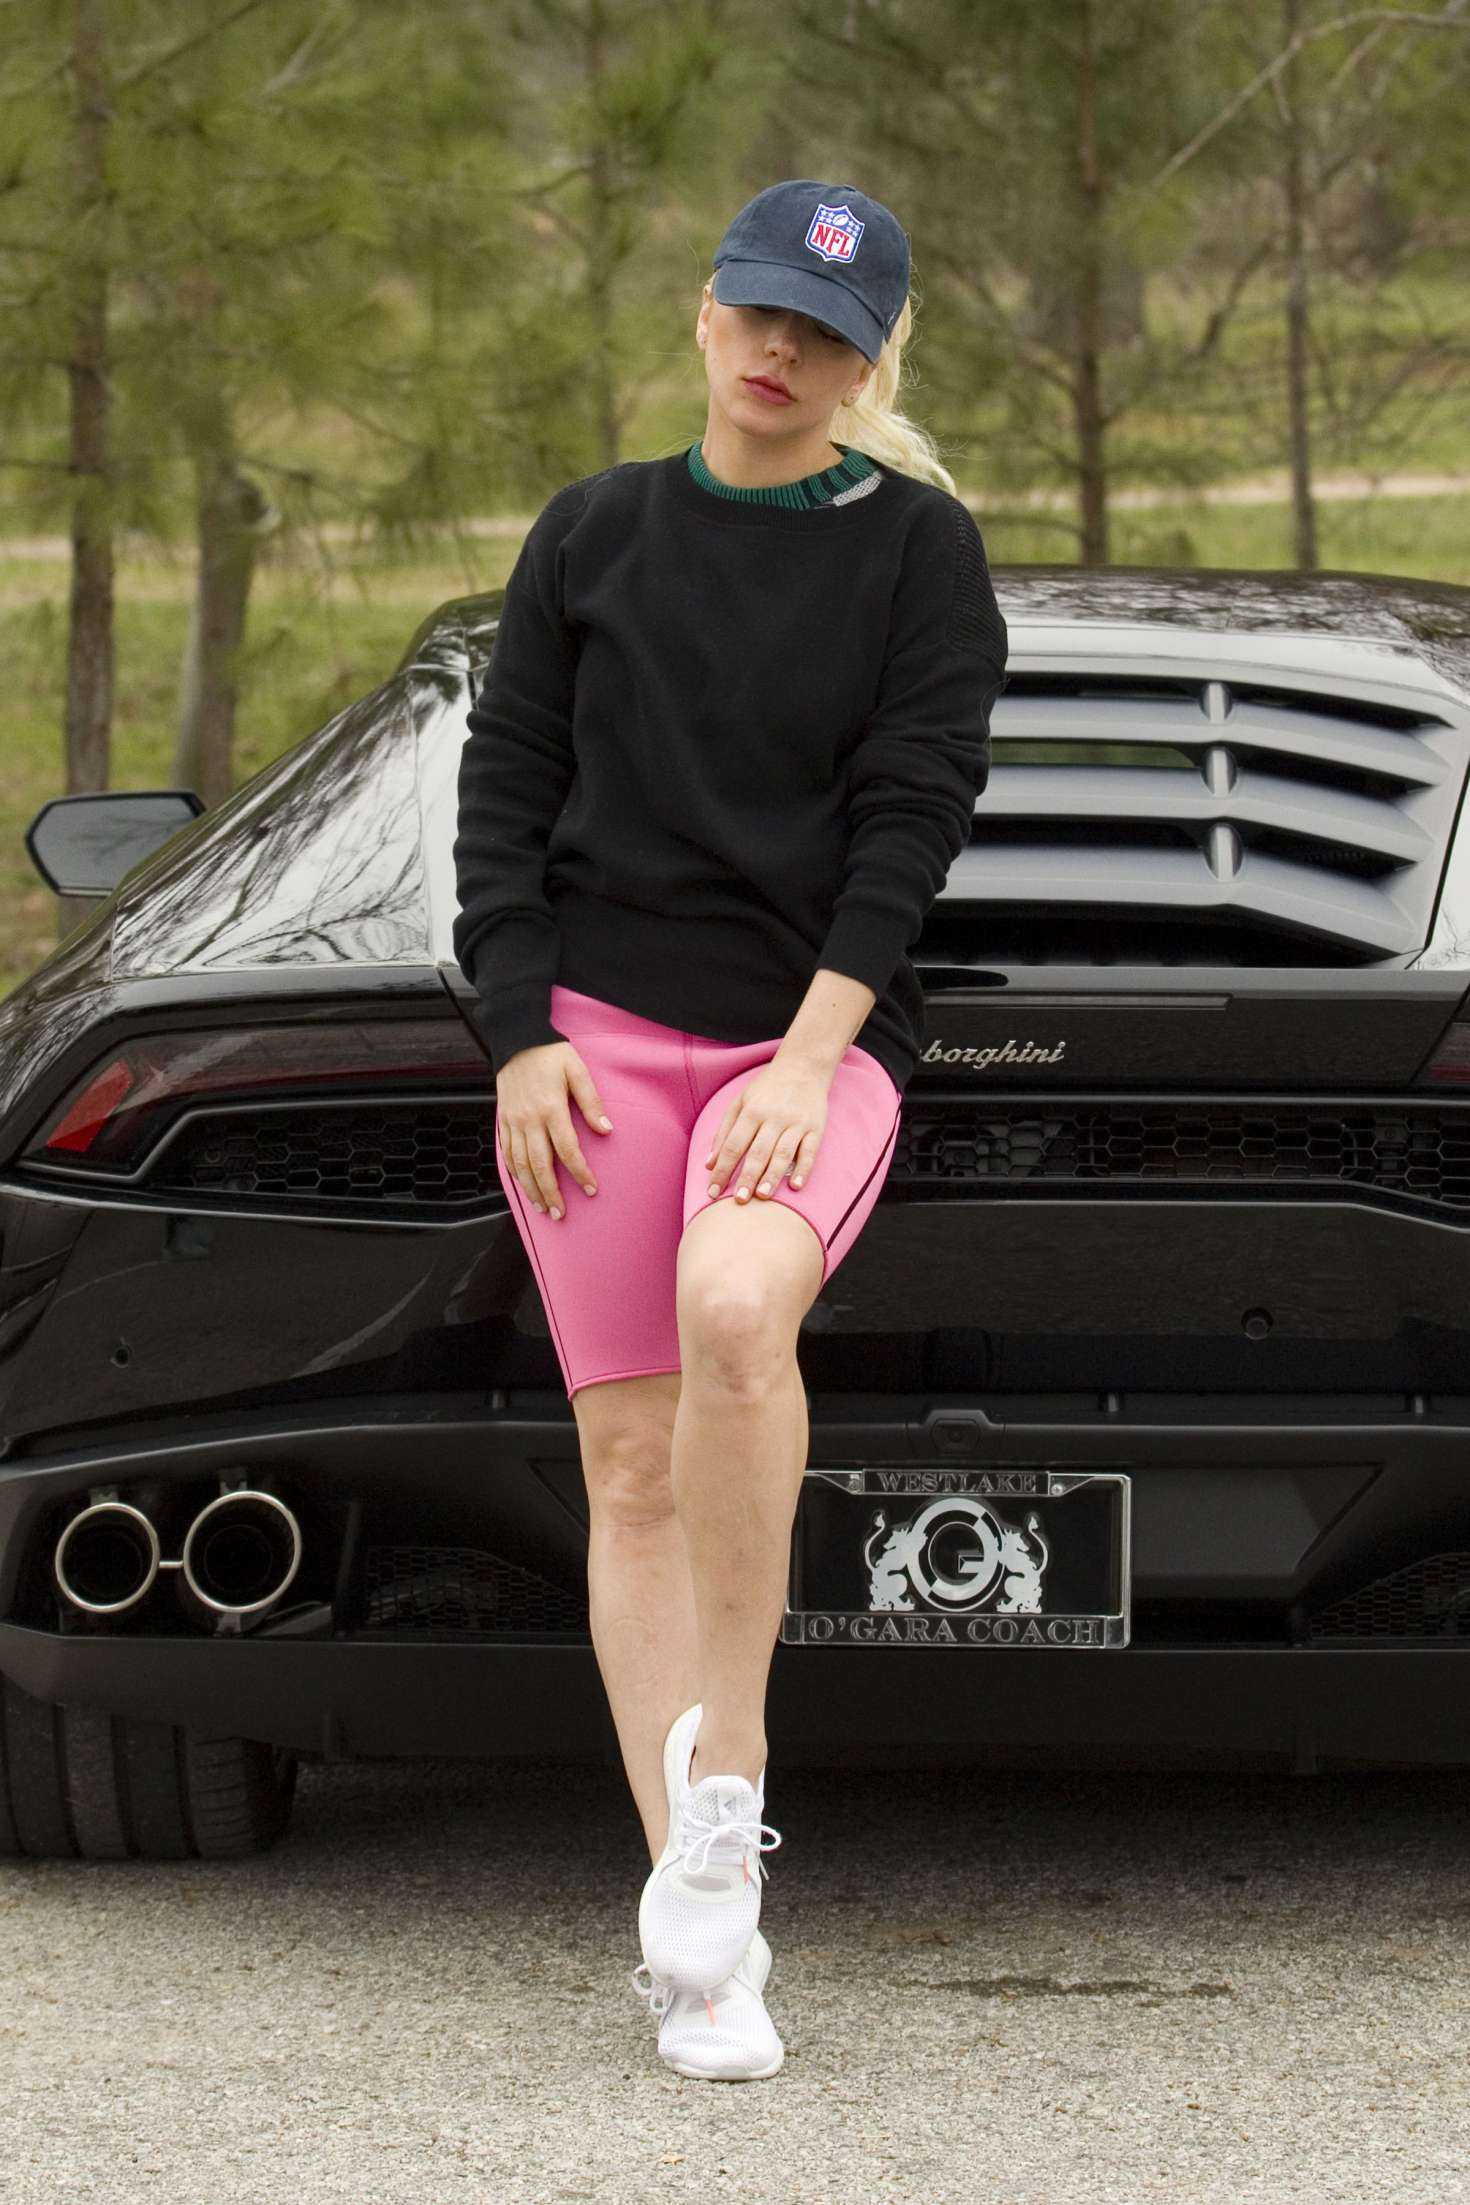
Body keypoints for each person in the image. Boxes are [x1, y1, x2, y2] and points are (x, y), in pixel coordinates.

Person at [451, 178, 1009, 2082]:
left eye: (825, 333)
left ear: (871, 363)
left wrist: (803, 1055)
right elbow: (504, 798)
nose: (781, 350)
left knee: (737, 1309)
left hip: (806, 1041)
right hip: (592, 1050)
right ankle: (701, 1939)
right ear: (704, 315)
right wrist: (520, 1038)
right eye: (759, 311)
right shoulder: (591, 531)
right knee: (627, 1469)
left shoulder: (919, 553)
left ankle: (732, 1770)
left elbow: (911, 821)